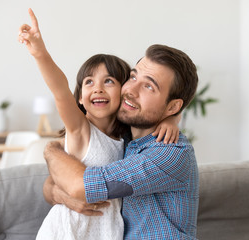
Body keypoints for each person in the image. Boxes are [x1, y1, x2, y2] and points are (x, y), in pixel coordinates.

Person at [18, 9, 180, 240]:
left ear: (124, 92)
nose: (98, 88)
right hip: (66, 233)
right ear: (81, 98)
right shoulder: (80, 129)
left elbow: (159, 106)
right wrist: (40, 53)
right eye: (89, 82)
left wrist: (172, 118)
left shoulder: (128, 139)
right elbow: (60, 91)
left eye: (109, 81)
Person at [43, 43, 200, 239]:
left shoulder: (171, 152)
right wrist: (60, 194)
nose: (131, 91)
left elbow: (80, 186)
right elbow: (52, 182)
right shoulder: (124, 140)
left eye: (149, 86)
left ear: (173, 106)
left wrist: (51, 150)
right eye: (133, 77)